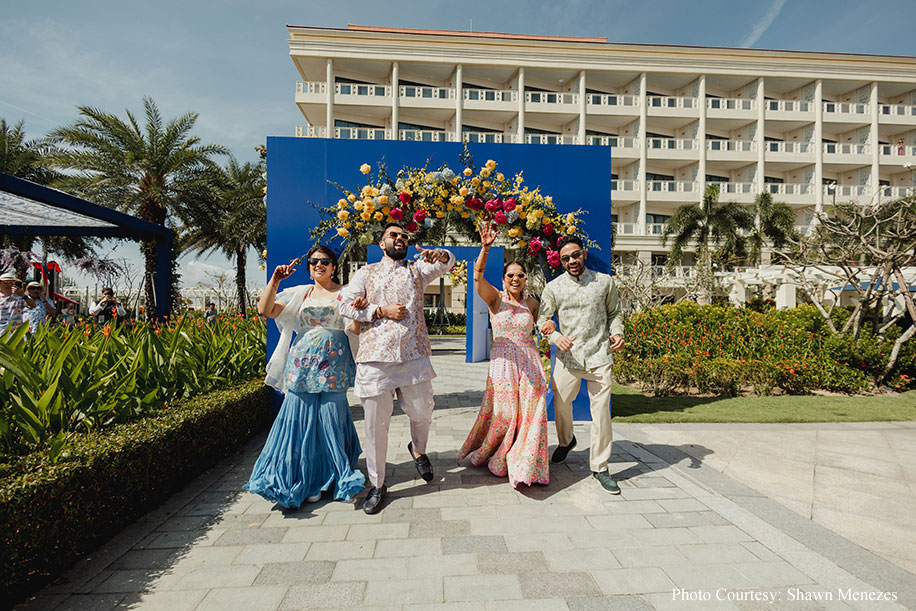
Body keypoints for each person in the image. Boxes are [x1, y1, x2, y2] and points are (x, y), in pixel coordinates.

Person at [337, 222, 455, 514]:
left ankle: (418, 450)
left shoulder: (417, 269)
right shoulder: (366, 273)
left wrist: (439, 254)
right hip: (375, 358)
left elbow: (448, 264)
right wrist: (378, 311)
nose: (400, 238)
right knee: (376, 426)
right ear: (382, 243)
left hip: (413, 354)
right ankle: (377, 485)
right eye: (394, 235)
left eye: (404, 236)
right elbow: (345, 305)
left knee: (423, 410)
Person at [244, 244, 367, 509]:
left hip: (334, 368)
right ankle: (305, 479)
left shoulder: (345, 294)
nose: (318, 265)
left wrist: (358, 311)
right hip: (302, 367)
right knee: (299, 423)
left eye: (324, 261)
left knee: (332, 421)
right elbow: (265, 310)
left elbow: (354, 328)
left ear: (334, 266)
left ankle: (332, 477)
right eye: (313, 262)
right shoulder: (300, 294)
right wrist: (275, 280)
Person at [458, 221, 549, 487]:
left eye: (520, 275)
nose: (516, 279)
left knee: (532, 414)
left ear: (525, 278)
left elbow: (540, 328)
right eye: (511, 275)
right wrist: (485, 248)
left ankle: (526, 463)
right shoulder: (496, 299)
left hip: (530, 363)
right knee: (506, 415)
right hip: (503, 365)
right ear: (504, 279)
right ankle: (495, 453)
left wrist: (549, 326)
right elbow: (477, 278)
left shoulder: (532, 302)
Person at [537, 235, 625, 494]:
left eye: (575, 255)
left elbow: (615, 313)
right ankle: (566, 441)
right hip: (568, 358)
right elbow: (543, 320)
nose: (571, 261)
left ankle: (600, 467)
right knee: (562, 403)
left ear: (584, 253)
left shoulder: (604, 282)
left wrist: (617, 332)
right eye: (565, 258)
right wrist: (555, 337)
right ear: (560, 261)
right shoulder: (553, 288)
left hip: (599, 356)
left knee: (601, 414)